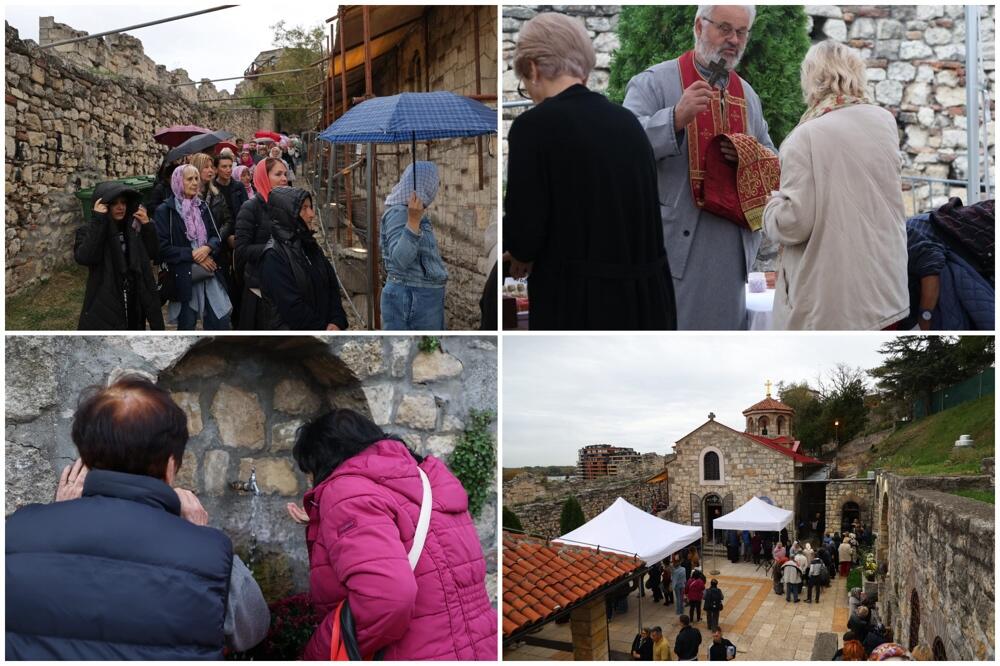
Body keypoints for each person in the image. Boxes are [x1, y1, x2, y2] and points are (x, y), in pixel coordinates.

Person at [6, 376, 269, 658]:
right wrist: (201, 536)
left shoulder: (15, 532)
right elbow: (253, 628)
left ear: (85, 456)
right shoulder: (209, 552)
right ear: (171, 466)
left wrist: (55, 516)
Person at [503, 11, 676, 330]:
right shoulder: (627, 123)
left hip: (580, 306)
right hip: (650, 301)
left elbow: (524, 237)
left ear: (532, 69)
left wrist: (520, 252)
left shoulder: (534, 128)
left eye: (525, 85)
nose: (531, 93)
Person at [285, 408, 496, 660]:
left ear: (323, 458)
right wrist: (326, 520)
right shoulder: (427, 480)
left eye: (309, 471)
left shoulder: (345, 492)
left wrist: (318, 653)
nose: (310, 481)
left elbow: (385, 599)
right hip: (478, 647)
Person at [623, 5, 776, 330]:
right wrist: (674, 118)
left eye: (741, 32)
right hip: (673, 246)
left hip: (730, 251)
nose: (733, 39)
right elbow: (622, 150)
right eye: (724, 28)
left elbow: (772, 159)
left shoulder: (747, 95)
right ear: (698, 26)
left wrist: (747, 153)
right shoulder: (652, 83)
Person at [763, 40, 907, 330]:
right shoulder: (884, 122)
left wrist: (771, 207)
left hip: (833, 302)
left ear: (812, 78)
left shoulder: (803, 137)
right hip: (886, 289)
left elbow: (793, 223)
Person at [74, 181, 164, 330]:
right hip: (105, 296)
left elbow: (153, 253)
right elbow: (85, 257)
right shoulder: (90, 229)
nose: (120, 207)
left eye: (123, 202)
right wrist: (98, 221)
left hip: (134, 295)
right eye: (114, 203)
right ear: (104, 205)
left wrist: (147, 226)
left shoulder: (134, 227)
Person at [259, 187, 348, 331]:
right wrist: (323, 329)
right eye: (304, 209)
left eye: (310, 207)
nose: (312, 214)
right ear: (288, 214)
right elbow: (291, 307)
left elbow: (331, 284)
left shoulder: (308, 244)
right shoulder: (274, 256)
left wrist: (336, 319)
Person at [154, 164, 232, 330]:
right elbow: (162, 248)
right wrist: (193, 255)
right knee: (187, 324)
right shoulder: (165, 211)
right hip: (184, 276)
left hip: (210, 272)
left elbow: (215, 235)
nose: (195, 183)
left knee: (220, 320)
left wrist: (207, 248)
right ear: (177, 182)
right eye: (189, 179)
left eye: (196, 178)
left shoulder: (202, 206)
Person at [379, 162, 449, 330]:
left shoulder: (409, 212)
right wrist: (413, 221)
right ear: (424, 184)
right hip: (412, 296)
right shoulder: (399, 213)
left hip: (422, 297)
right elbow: (400, 260)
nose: (435, 188)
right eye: (433, 183)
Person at [902, 204, 995, 330]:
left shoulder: (905, 236)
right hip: (954, 232)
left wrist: (925, 318)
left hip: (960, 232)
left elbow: (931, 265)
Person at [234, 156, 288, 329]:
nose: (284, 179)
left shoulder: (287, 206)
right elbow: (242, 249)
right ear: (264, 177)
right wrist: (274, 248)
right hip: (259, 288)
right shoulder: (250, 208)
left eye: (285, 174)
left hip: (284, 285)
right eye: (278, 174)